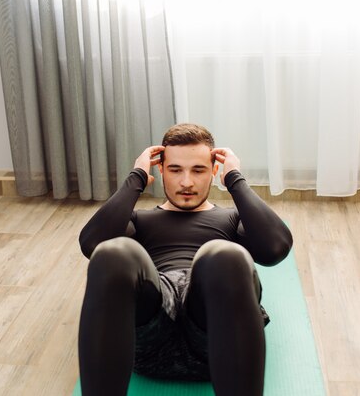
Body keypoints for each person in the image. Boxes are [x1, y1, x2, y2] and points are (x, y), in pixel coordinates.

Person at [78, 123, 293, 396]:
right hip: (151, 336)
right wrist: (137, 177)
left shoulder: (232, 219)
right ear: (161, 170)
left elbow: (275, 248)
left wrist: (235, 179)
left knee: (224, 255)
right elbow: (91, 244)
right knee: (113, 252)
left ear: (215, 171)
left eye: (199, 170)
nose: (187, 182)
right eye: (176, 170)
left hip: (215, 335)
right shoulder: (138, 220)